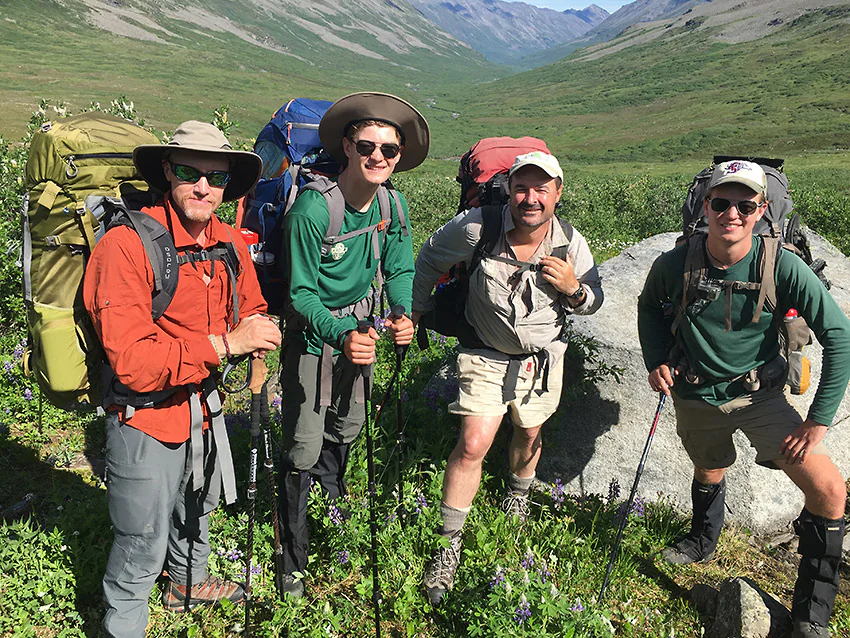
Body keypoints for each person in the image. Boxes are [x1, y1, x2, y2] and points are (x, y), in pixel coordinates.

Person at [83, 121, 282, 637]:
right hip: (144, 416)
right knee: (140, 538)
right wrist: (225, 346)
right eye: (192, 173)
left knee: (198, 507)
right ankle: (123, 625)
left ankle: (187, 583)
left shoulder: (228, 241)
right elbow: (132, 362)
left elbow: (252, 307)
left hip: (204, 407)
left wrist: (258, 333)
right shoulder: (126, 246)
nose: (203, 188)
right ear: (169, 171)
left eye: (216, 179)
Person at [637, 160, 850, 638]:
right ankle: (703, 538)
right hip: (694, 393)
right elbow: (650, 307)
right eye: (721, 202)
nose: (731, 212)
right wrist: (656, 359)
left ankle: (811, 616)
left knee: (829, 489)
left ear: (762, 210)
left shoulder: (782, 265)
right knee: (709, 464)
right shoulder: (676, 263)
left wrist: (818, 420)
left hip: (760, 399)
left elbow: (839, 334)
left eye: (745, 204)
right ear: (706, 206)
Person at [411, 150, 603, 605]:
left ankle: (516, 498)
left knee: (529, 432)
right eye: (522, 187)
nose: (530, 198)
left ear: (558, 193)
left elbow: (595, 302)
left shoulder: (571, 242)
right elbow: (429, 259)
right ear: (509, 190)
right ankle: (448, 542)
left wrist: (574, 289)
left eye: (541, 189)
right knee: (473, 443)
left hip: (541, 360)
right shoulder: (480, 226)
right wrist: (415, 310)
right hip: (484, 352)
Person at [278, 92, 429, 598]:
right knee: (303, 441)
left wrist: (403, 312)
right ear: (347, 145)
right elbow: (299, 294)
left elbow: (402, 267)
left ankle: (332, 503)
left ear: (400, 155)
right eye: (367, 145)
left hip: (361, 331)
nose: (378, 157)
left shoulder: (392, 202)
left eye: (390, 150)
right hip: (316, 337)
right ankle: (291, 558)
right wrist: (341, 333)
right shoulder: (312, 210)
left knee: (348, 422)